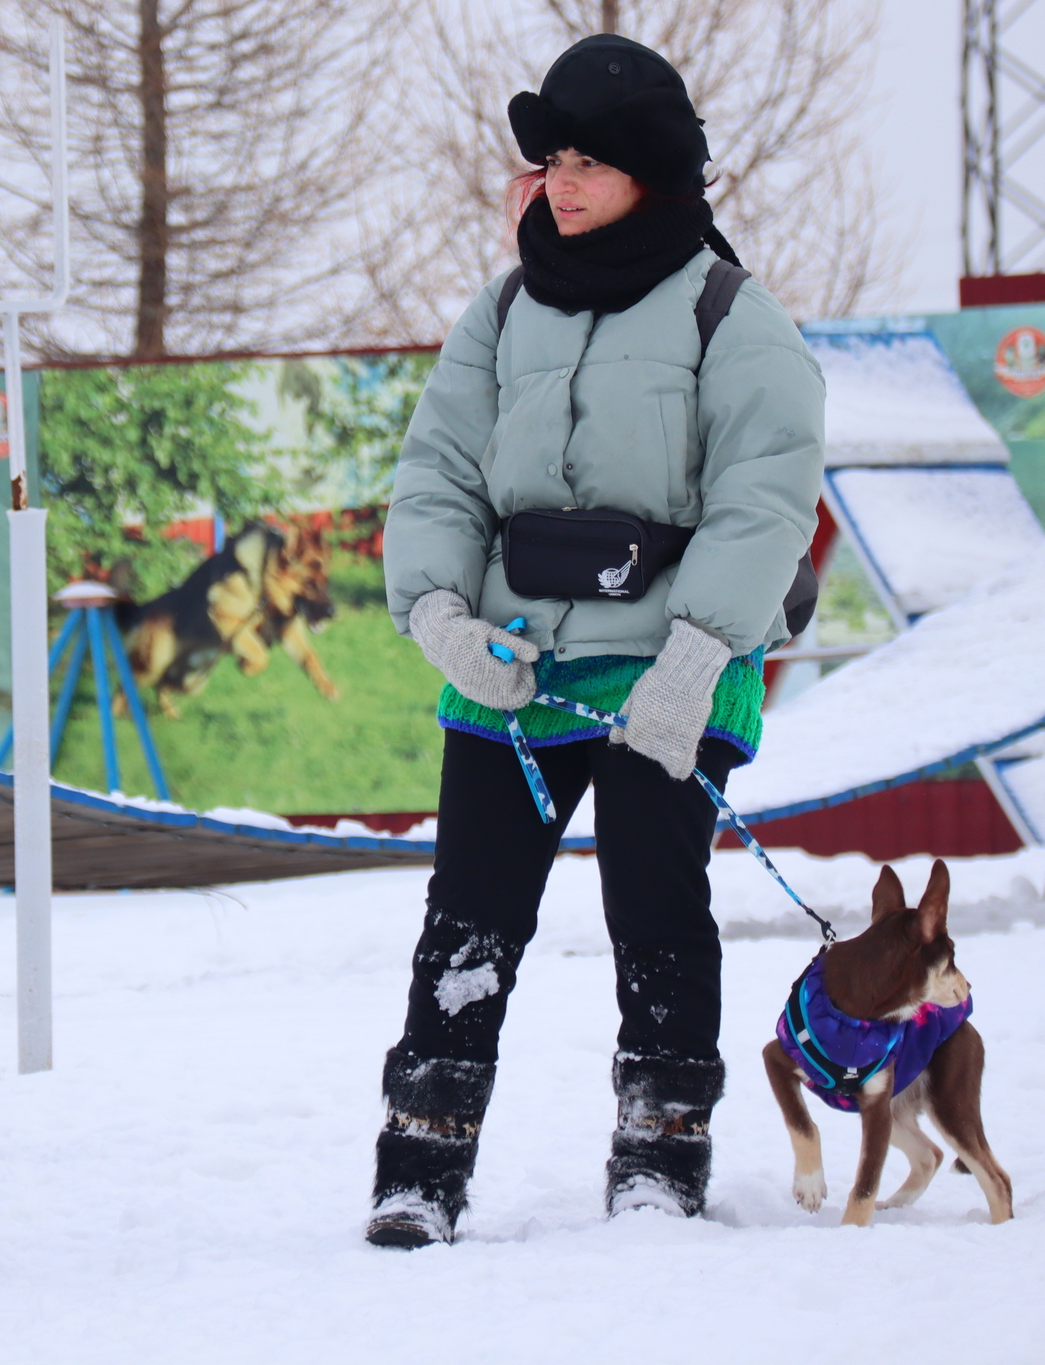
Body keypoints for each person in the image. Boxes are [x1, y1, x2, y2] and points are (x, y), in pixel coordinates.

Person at [367, 34, 825, 1247]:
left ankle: (660, 1158)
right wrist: (439, 617)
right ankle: (420, 1164)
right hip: (512, 667)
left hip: (668, 670)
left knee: (656, 918)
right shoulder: (503, 308)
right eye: (551, 159)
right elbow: (436, 477)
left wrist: (697, 659)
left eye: (590, 161)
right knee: (465, 919)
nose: (560, 183)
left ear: (653, 174)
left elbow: (763, 498)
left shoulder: (736, 315)